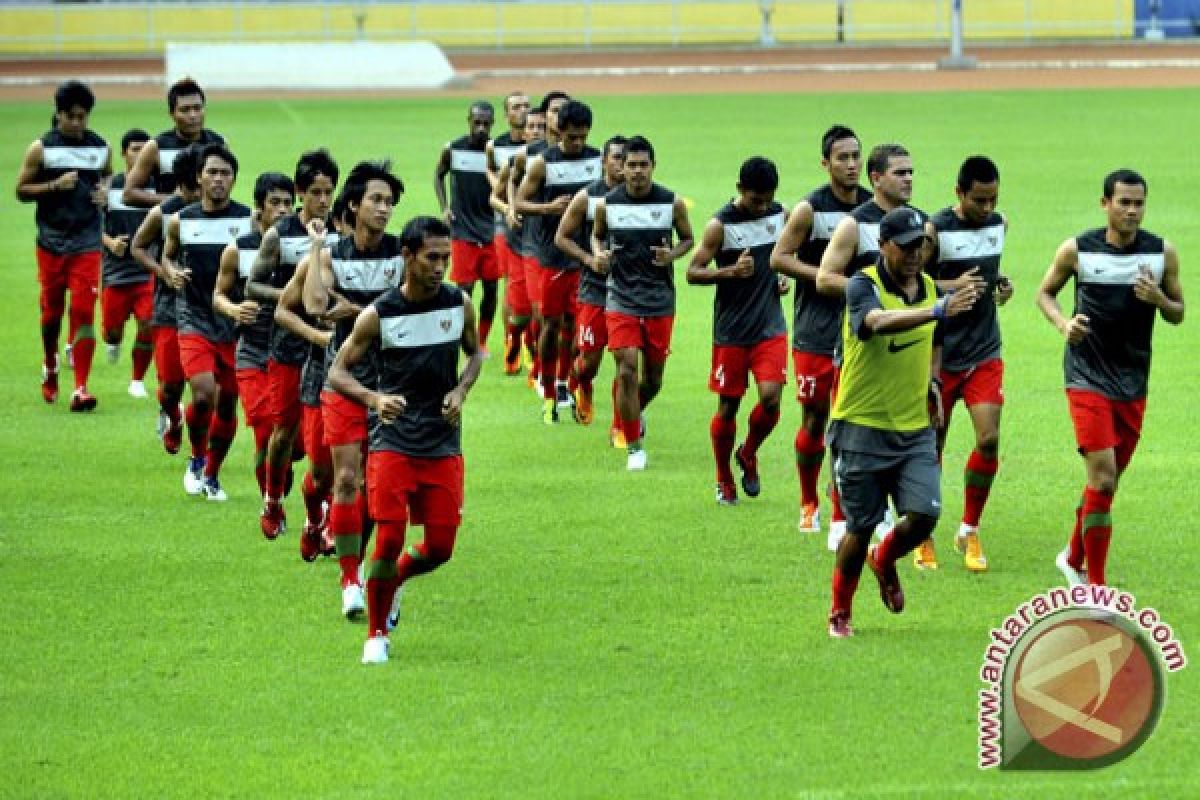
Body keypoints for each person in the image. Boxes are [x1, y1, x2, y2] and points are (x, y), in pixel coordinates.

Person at [328, 215, 484, 665]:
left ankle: (392, 582)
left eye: (446, 258)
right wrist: (374, 398)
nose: (440, 267)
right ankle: (376, 634)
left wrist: (461, 389)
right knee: (390, 537)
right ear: (408, 257)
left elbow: (475, 353)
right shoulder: (378, 315)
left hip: (442, 444)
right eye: (432, 258)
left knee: (440, 549)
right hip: (392, 443)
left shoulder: (459, 304)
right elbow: (337, 372)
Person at [826, 207, 979, 638]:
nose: (916, 254)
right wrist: (937, 310)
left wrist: (933, 382)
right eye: (907, 246)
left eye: (922, 245)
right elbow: (874, 322)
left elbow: (935, 343)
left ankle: (886, 557)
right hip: (861, 427)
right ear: (884, 245)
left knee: (926, 515)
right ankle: (840, 609)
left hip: (913, 429)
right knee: (858, 528)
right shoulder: (862, 285)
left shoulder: (929, 287)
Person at [1036, 169, 1184, 587]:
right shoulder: (1077, 250)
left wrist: (1158, 299)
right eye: (1124, 203)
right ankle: (1095, 585)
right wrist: (1064, 325)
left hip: (1133, 380)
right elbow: (1044, 293)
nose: (1132, 211)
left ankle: (1072, 556)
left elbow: (1179, 313)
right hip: (1086, 375)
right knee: (1102, 475)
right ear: (1106, 204)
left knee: (1108, 482)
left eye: (1139, 203)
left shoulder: (1162, 255)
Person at [304, 160, 406, 619]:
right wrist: (315, 246)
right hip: (343, 379)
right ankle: (349, 580)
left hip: (393, 382)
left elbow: (408, 308)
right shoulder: (331, 256)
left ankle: (366, 564)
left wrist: (357, 309)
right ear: (354, 205)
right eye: (376, 200)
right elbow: (316, 306)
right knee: (346, 479)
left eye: (389, 202)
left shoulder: (403, 254)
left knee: (377, 485)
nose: (384, 209)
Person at [816, 142, 919, 553]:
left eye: (912, 172)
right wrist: (871, 294)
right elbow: (825, 278)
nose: (909, 179)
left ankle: (886, 510)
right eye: (900, 173)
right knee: (847, 432)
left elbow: (923, 284)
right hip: (863, 344)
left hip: (907, 346)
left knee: (899, 427)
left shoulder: (918, 223)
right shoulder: (854, 227)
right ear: (877, 179)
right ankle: (840, 513)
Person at [770, 125, 871, 534]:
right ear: (825, 163)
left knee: (848, 424)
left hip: (859, 331)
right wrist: (823, 276)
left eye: (855, 157)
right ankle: (808, 499)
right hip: (815, 330)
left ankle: (840, 511)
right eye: (842, 158)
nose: (851, 165)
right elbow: (779, 258)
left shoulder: (871, 208)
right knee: (815, 420)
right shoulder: (809, 210)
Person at [926, 156, 1013, 573]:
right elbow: (914, 285)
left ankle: (969, 528)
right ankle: (922, 531)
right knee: (932, 445)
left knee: (989, 439)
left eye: (993, 198)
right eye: (979, 199)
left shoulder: (999, 224)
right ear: (958, 193)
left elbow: (988, 273)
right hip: (939, 355)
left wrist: (1000, 285)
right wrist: (952, 288)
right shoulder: (934, 231)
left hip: (984, 352)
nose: (988, 207)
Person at [247, 149, 340, 539]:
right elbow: (252, 284)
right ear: (301, 193)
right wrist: (292, 294)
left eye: (328, 192)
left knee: (328, 441)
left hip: (326, 349)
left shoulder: (340, 233)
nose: (323, 200)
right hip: (287, 345)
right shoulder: (279, 235)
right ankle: (272, 499)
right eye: (316, 192)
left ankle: (322, 515)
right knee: (283, 431)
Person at [687, 156, 788, 505]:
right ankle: (723, 477)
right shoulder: (720, 225)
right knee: (728, 407)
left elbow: (785, 255)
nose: (762, 207)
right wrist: (729, 272)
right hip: (731, 332)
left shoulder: (780, 214)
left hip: (769, 326)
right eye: (754, 199)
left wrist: (783, 276)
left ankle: (748, 451)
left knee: (772, 399)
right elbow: (692, 271)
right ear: (739, 190)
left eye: (767, 199)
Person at [591, 135, 695, 470]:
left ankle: (630, 415)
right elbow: (596, 234)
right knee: (627, 370)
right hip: (620, 297)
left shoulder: (671, 203)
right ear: (622, 167)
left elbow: (689, 239)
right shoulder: (609, 203)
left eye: (643, 165)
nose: (637, 172)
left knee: (653, 380)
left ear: (653, 166)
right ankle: (635, 447)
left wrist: (672, 254)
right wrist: (598, 254)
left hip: (659, 299)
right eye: (631, 165)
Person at [161, 143, 254, 501]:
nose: (218, 179)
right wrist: (170, 272)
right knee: (203, 395)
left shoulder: (247, 220)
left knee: (228, 403)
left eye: (225, 173)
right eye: (211, 172)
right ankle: (197, 458)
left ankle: (212, 472)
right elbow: (166, 257)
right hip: (194, 316)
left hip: (233, 322)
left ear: (233, 179)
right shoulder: (181, 220)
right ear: (199, 177)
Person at [15, 80, 112, 411]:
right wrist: (55, 185)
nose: (76, 123)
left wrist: (106, 192)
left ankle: (81, 387)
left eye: (82, 117)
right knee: (52, 313)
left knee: (84, 310)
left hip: (87, 241)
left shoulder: (100, 147)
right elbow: (21, 190)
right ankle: (51, 363)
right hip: (51, 242)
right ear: (58, 115)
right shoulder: (42, 148)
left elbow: (109, 178)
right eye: (70, 117)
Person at [274, 196, 355, 562]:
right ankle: (312, 519)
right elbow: (283, 312)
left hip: (365, 381)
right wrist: (320, 338)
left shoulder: (388, 264)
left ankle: (340, 540)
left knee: (351, 473)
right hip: (320, 376)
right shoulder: (316, 263)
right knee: (321, 472)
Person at [516, 99, 603, 423]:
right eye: (571, 137)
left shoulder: (597, 159)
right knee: (551, 324)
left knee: (580, 328)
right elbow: (520, 202)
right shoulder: (543, 163)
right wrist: (548, 208)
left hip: (587, 258)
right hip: (552, 256)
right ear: (559, 131)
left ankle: (569, 382)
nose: (577, 143)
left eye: (582, 136)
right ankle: (550, 391)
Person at [213, 171, 295, 503]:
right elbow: (217, 296)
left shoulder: (300, 247)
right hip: (253, 349)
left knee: (291, 439)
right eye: (275, 202)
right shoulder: (237, 251)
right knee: (265, 429)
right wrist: (233, 311)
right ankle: (271, 502)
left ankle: (278, 477)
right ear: (258, 208)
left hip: (293, 352)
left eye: (289, 203)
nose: (283, 210)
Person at [130, 145, 204, 455]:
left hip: (208, 312)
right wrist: (163, 272)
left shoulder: (229, 215)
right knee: (171, 386)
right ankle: (173, 416)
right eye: (194, 186)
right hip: (169, 308)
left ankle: (202, 455)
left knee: (206, 390)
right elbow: (137, 247)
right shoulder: (164, 213)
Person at [553, 134, 626, 435]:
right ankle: (580, 380)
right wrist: (588, 259)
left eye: (627, 159)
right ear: (604, 161)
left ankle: (621, 427)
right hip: (594, 289)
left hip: (629, 293)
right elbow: (561, 237)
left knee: (627, 362)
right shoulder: (587, 197)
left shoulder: (642, 199)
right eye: (617, 158)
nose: (622, 165)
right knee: (591, 361)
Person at [510, 92, 569, 398]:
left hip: (573, 251)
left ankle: (563, 379)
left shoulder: (584, 156)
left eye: (564, 111)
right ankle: (539, 368)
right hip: (535, 246)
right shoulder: (529, 155)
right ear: (545, 117)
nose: (559, 116)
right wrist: (509, 207)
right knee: (539, 315)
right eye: (554, 111)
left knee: (570, 320)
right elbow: (511, 184)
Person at [435, 101, 498, 354]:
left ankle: (482, 341)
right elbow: (438, 174)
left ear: (492, 124)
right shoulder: (453, 150)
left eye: (486, 123)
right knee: (465, 291)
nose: (481, 128)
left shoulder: (496, 153)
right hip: (462, 232)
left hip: (492, 231)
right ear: (468, 121)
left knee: (492, 290)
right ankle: (465, 340)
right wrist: (444, 207)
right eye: (477, 122)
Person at [490, 106, 545, 377]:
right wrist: (509, 210)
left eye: (540, 126)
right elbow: (494, 197)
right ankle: (513, 338)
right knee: (521, 310)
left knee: (541, 309)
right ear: (523, 133)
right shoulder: (515, 163)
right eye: (531, 127)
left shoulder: (553, 162)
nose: (536, 131)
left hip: (541, 244)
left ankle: (537, 360)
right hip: (516, 242)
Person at [100, 128, 154, 399]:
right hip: (115, 274)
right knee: (111, 332)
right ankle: (114, 341)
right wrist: (111, 244)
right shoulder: (109, 189)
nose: (140, 154)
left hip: (147, 272)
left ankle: (137, 380)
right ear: (124, 154)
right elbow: (90, 228)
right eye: (134, 149)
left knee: (148, 324)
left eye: (145, 150)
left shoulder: (157, 188)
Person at [123, 78, 224, 208]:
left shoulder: (218, 144)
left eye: (197, 108)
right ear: (172, 114)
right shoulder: (155, 147)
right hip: (171, 224)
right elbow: (129, 194)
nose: (193, 115)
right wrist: (175, 199)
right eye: (185, 110)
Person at [486, 91, 529, 372]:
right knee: (511, 284)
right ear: (506, 115)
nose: (522, 111)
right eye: (516, 107)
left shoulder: (538, 148)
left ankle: (530, 343)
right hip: (504, 222)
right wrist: (505, 204)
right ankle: (510, 341)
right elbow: (491, 173)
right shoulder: (496, 146)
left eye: (526, 106)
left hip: (534, 223)